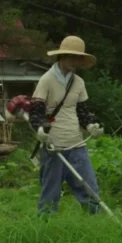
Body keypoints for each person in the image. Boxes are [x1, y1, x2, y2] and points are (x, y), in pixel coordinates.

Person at [28, 35, 104, 215]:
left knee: (89, 188)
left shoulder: (78, 82)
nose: (75, 61)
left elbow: (83, 111)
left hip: (77, 143)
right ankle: (44, 228)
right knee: (50, 193)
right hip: (54, 144)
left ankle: (96, 223)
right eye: (72, 56)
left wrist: (91, 126)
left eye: (78, 57)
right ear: (62, 56)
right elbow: (36, 111)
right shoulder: (47, 79)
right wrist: (39, 130)